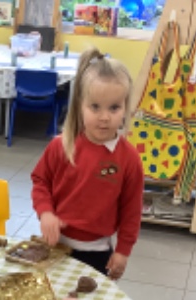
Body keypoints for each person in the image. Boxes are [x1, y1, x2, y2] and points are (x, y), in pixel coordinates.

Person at [31, 47, 143, 280]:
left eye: (114, 107)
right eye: (95, 107)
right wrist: (46, 213)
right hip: (55, 245)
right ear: (80, 105)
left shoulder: (129, 159)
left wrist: (123, 250)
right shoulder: (61, 146)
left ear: (125, 107)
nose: (104, 117)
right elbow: (40, 181)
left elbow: (131, 210)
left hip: (98, 252)